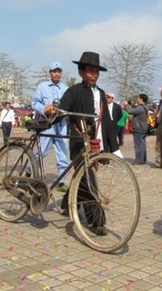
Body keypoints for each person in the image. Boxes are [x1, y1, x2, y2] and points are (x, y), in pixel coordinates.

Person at [45, 51, 119, 236]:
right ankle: (96, 222)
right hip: (79, 143)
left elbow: (108, 122)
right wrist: (52, 112)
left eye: (96, 71)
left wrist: (114, 148)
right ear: (81, 73)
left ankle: (65, 205)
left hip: (95, 144)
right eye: (90, 71)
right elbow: (62, 110)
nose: (94, 75)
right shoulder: (74, 91)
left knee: (82, 178)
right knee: (88, 181)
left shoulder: (101, 94)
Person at [31, 62, 70, 191]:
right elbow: (34, 103)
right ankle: (29, 169)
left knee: (62, 152)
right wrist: (44, 109)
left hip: (61, 123)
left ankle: (62, 180)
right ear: (50, 73)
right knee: (41, 151)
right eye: (54, 71)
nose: (56, 74)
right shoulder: (42, 87)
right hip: (47, 124)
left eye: (59, 71)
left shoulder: (65, 89)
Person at [123, 93, 149, 165]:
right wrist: (132, 105)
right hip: (143, 128)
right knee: (142, 144)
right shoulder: (145, 107)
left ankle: (139, 160)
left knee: (138, 145)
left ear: (141, 99)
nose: (137, 99)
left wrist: (126, 105)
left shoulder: (140, 108)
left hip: (139, 128)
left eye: (138, 98)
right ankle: (143, 159)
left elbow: (130, 111)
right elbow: (135, 109)